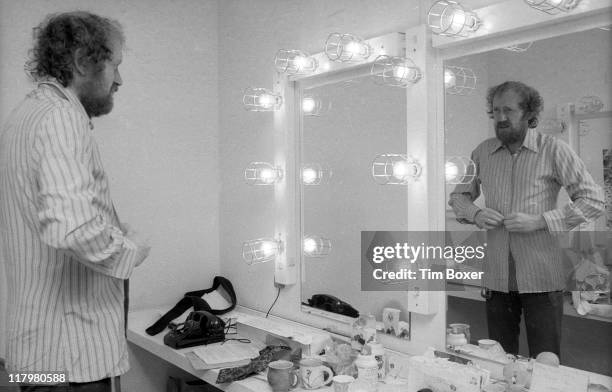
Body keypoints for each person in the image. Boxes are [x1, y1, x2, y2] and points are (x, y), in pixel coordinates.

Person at [0, 12, 150, 391]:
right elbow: (74, 228)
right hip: (71, 363)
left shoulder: (26, 115)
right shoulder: (61, 117)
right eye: (114, 65)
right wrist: (129, 250)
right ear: (84, 61)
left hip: (37, 356)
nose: (119, 79)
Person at [449, 81, 605, 358]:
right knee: (498, 361)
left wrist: (541, 220)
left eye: (508, 110)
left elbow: (593, 200)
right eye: (495, 110)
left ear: (529, 113)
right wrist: (477, 213)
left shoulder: (554, 150)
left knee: (545, 363)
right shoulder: (482, 152)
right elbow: (458, 198)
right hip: (496, 281)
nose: (500, 117)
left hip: (542, 281)